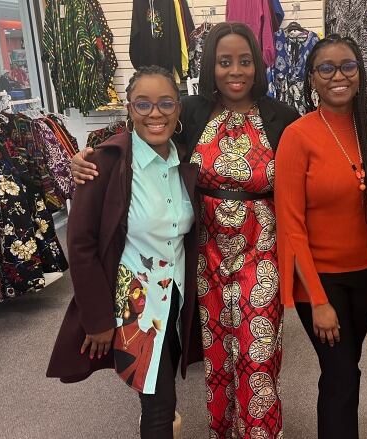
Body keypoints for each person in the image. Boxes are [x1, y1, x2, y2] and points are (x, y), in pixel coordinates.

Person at [70, 22, 299, 438]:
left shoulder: (282, 116)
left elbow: (303, 181)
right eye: (224, 61)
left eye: (244, 61)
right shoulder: (193, 112)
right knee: (213, 361)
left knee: (258, 358)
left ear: (258, 64)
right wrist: (86, 159)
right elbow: (143, 133)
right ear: (209, 66)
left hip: (260, 256)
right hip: (202, 262)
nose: (235, 71)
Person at [46, 66, 203, 439]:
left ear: (179, 108)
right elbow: (81, 245)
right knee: (158, 404)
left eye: (166, 103)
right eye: (143, 104)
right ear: (129, 109)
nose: (155, 113)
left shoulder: (183, 158)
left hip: (176, 299)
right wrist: (97, 320)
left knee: (163, 393)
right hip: (135, 305)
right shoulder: (106, 162)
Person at [274, 35, 367, 439]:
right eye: (326, 68)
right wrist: (318, 300)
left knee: (347, 367)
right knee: (340, 373)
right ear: (312, 78)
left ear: (361, 75)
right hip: (321, 278)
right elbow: (290, 224)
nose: (338, 76)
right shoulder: (298, 135)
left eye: (348, 66)